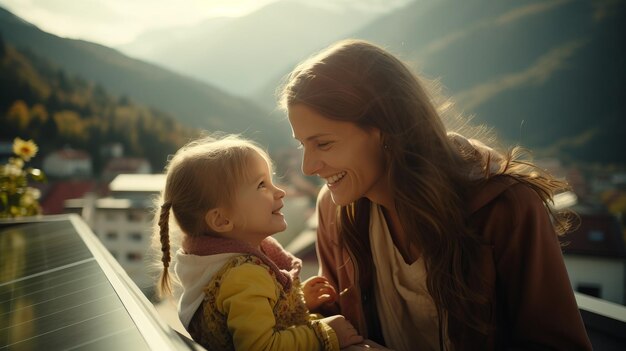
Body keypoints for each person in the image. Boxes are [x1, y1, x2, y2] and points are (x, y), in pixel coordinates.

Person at [278, 39, 592, 351]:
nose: (308, 167)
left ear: (384, 129)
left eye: (323, 144)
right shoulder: (336, 211)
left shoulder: (505, 209)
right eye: (302, 144)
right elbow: (335, 325)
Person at [154, 134, 363, 350]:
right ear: (222, 220)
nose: (279, 191)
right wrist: (327, 333)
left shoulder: (229, 271)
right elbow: (262, 347)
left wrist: (299, 302)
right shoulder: (243, 276)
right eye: (262, 185)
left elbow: (262, 315)